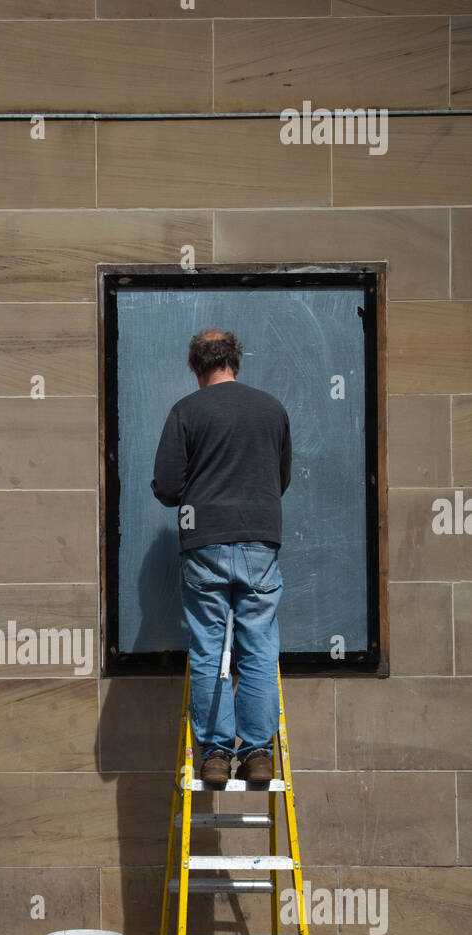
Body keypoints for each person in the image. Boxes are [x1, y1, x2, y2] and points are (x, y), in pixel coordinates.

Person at [152, 327, 291, 789]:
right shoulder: (271, 409)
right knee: (258, 650)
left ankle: (213, 754)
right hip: (259, 539)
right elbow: (280, 478)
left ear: (194, 368)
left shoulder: (186, 412)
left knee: (210, 650)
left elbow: (168, 488)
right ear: (237, 360)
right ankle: (256, 754)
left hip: (204, 541)